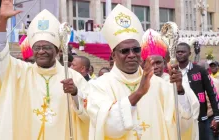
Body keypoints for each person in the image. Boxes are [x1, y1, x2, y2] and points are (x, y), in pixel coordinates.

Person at [0, 1, 89, 139]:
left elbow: (89, 114)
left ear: (57, 50)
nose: (41, 51)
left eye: (47, 47)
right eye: (37, 47)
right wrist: (2, 21)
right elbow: (0, 56)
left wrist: (74, 93)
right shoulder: (21, 72)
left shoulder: (73, 78)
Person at [87, 4, 193, 140]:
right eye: (124, 51)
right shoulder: (99, 86)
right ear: (113, 56)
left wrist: (179, 91)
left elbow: (183, 125)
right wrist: (139, 93)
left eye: (136, 50)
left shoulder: (160, 85)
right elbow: (108, 127)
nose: (131, 54)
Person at [141, 29, 200, 140]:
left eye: (158, 62)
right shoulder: (139, 86)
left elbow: (193, 111)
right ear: (143, 64)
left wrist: (180, 91)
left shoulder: (173, 82)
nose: (155, 66)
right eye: (151, 63)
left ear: (164, 63)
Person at [176, 42, 219, 140]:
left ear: (190, 54)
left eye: (183, 52)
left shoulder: (200, 71)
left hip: (199, 119)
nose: (180, 54)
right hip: (179, 119)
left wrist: (217, 117)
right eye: (178, 52)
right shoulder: (172, 71)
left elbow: (212, 93)